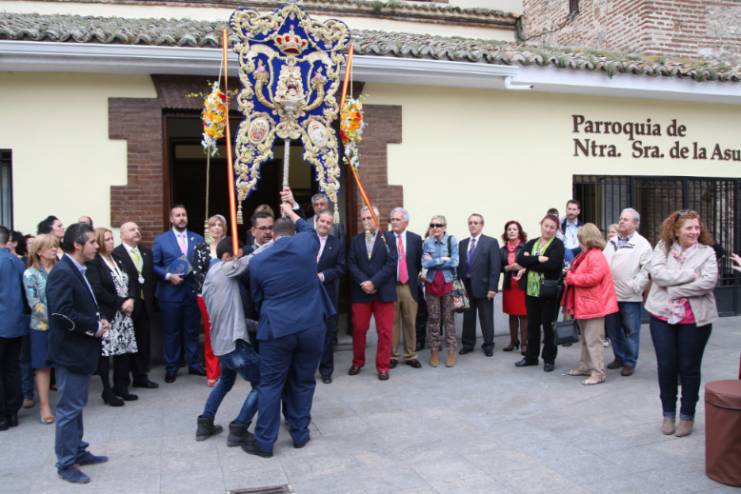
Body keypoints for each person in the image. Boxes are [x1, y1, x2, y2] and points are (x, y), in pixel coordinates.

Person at [242, 202, 335, 457]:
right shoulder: (306, 244)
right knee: (303, 381)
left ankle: (265, 442)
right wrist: (292, 210)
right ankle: (300, 433)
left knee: (271, 385)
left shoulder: (258, 261)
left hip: (278, 328)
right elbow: (308, 228)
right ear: (293, 234)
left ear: (273, 235)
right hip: (311, 326)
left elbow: (257, 299)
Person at [47, 223, 111, 484]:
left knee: (76, 405)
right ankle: (66, 463)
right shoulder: (63, 272)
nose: (97, 246)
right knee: (69, 408)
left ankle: (78, 450)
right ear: (77, 244)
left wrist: (99, 320)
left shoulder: (77, 268)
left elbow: (85, 304)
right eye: (92, 242)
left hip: (80, 350)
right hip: (70, 351)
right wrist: (93, 326)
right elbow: (61, 313)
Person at [645, 210, 718, 438]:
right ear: (676, 231)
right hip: (662, 317)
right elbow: (657, 275)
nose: (695, 232)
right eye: (689, 228)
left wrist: (675, 290)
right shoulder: (662, 248)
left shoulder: (707, 252)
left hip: (694, 320)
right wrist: (689, 274)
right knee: (666, 366)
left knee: (689, 367)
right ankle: (668, 414)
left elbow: (708, 282)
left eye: (697, 227)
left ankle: (687, 416)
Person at [196, 237, 261, 448]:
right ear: (226, 257)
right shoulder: (225, 270)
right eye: (236, 257)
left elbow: (230, 313)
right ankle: (239, 428)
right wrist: (280, 241)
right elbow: (255, 256)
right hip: (234, 344)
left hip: (221, 343)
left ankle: (205, 423)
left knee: (225, 380)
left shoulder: (211, 275)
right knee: (264, 383)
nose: (239, 261)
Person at [152, 205, 205, 383]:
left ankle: (194, 364)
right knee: (171, 332)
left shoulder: (198, 238)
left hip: (191, 292)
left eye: (184, 215)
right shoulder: (161, 240)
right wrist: (168, 276)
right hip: (170, 293)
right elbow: (154, 265)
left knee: (192, 330)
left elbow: (202, 264)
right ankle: (171, 367)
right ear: (171, 219)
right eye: (177, 215)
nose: (181, 218)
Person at [86, 228, 138, 406]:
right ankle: (107, 391)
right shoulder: (94, 262)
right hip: (108, 313)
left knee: (123, 351)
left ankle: (121, 387)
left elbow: (130, 280)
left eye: (111, 238)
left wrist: (130, 299)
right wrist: (120, 302)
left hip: (124, 313)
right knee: (106, 353)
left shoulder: (117, 258)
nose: (111, 242)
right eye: (107, 239)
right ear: (99, 242)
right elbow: (97, 290)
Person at [562, 223, 619, 385]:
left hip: (593, 304)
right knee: (587, 340)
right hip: (587, 303)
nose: (579, 242)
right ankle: (586, 367)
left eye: (580, 239)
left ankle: (598, 373)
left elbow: (593, 278)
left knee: (594, 341)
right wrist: (571, 273)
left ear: (587, 239)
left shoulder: (595, 255)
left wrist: (571, 277)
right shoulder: (587, 255)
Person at [347, 206, 398, 380]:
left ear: (377, 218)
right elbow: (351, 264)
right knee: (359, 329)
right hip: (361, 292)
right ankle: (357, 361)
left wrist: (374, 282)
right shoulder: (356, 240)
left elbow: (391, 263)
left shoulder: (388, 238)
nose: (366, 221)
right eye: (363, 218)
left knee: (385, 332)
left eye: (370, 218)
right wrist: (364, 282)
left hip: (383, 292)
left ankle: (383, 366)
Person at [603, 208, 652, 376]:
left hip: (630, 295)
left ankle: (630, 362)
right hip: (611, 294)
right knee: (613, 329)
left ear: (636, 224)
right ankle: (619, 357)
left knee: (631, 330)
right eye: (620, 218)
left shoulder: (642, 244)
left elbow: (647, 270)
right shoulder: (612, 242)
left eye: (626, 219)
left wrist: (635, 286)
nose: (621, 221)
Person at [515, 214, 565, 372]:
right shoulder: (532, 242)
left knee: (548, 326)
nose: (548, 229)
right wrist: (539, 259)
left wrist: (530, 261)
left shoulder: (558, 245)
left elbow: (553, 265)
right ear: (541, 225)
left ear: (556, 230)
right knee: (532, 325)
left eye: (552, 227)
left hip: (548, 292)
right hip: (531, 290)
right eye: (546, 225)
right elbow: (519, 259)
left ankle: (549, 359)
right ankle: (531, 357)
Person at [113, 222, 158, 389]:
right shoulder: (116, 254)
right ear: (122, 234)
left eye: (138, 229)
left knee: (143, 341)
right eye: (132, 230)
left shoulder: (146, 252)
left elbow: (151, 277)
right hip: (127, 305)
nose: (137, 232)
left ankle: (141, 376)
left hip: (145, 304)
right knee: (126, 343)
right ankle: (123, 381)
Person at [23, 234, 59, 424]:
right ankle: (45, 405)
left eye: (55, 245)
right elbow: (34, 303)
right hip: (42, 326)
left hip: (65, 325)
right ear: (39, 251)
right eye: (50, 246)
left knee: (64, 363)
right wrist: (57, 318)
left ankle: (67, 401)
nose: (54, 249)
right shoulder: (31, 274)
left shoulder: (62, 269)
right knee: (43, 366)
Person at [458, 213, 501, 357]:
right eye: (470, 223)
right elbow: (460, 267)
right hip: (467, 287)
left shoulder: (491, 242)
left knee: (486, 318)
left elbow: (495, 267)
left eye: (476, 223)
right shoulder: (462, 243)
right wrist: (459, 287)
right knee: (468, 318)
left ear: (482, 225)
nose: (473, 225)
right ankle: (468, 344)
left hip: (484, 287)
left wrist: (492, 288)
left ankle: (488, 345)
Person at [386, 207, 423, 369]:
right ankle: (392, 356)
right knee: (392, 323)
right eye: (392, 219)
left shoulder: (415, 239)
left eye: (398, 219)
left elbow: (418, 263)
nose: (394, 222)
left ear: (406, 222)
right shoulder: (385, 238)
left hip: (409, 286)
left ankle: (410, 355)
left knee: (410, 322)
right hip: (390, 286)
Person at [193, 214, 227, 387]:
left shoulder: (230, 246)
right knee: (211, 332)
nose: (216, 228)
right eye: (213, 225)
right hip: (206, 296)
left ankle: (226, 370)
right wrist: (212, 288)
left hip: (226, 295)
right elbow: (197, 273)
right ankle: (212, 372)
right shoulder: (201, 248)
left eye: (219, 225)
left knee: (225, 333)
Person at [421, 215, 459, 368]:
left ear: (444, 227)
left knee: (448, 319)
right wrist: (442, 259)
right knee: (434, 319)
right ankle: (434, 351)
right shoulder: (427, 242)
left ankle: (451, 351)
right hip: (431, 284)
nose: (435, 228)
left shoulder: (451, 240)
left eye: (438, 225)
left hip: (448, 284)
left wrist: (433, 261)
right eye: (432, 225)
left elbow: (455, 261)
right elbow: (424, 263)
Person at [0, 225, 27, 431]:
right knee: (12, 367)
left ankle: (2, 415)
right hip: (16, 322)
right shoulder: (17, 262)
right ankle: (13, 411)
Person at [315, 209, 346, 383]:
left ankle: (326, 371)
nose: (325, 225)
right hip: (306, 295)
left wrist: (323, 276)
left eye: (328, 222)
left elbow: (341, 268)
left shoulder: (337, 244)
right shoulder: (306, 239)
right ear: (317, 221)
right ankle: (306, 370)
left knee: (327, 334)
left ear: (331, 225)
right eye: (322, 221)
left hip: (326, 294)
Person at [500, 221, 528, 354]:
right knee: (512, 315)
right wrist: (509, 268)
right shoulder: (502, 250)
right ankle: (513, 341)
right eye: (509, 229)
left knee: (523, 315)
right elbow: (499, 267)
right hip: (509, 285)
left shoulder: (526, 247)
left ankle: (524, 344)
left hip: (522, 285)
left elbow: (531, 263)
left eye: (514, 229)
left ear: (519, 232)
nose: (511, 231)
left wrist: (521, 267)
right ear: (506, 233)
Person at [560, 200, 583, 264]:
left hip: (579, 253)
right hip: (564, 256)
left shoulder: (582, 226)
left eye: (574, 209)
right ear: (566, 210)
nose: (571, 212)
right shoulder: (560, 225)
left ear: (578, 211)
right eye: (569, 209)